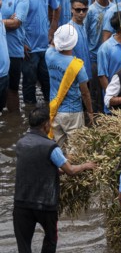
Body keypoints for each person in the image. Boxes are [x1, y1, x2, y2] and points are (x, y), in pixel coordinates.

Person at [13, 106, 96, 253]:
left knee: (24, 246)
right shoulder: (52, 147)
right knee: (51, 239)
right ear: (46, 125)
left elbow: (38, 167)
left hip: (21, 203)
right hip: (45, 205)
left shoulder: (20, 144)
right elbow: (70, 170)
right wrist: (85, 165)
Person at [46, 24, 92, 147]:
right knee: (76, 149)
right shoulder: (77, 66)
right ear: (74, 43)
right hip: (73, 112)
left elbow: (52, 45)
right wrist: (90, 112)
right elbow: (85, 93)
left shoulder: (48, 55)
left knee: (60, 148)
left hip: (55, 109)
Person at [22, 0, 57, 105]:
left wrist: (52, 30)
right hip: (29, 48)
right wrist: (21, 43)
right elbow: (18, 22)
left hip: (45, 45)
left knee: (47, 79)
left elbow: (56, 8)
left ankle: (50, 108)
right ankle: (29, 110)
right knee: (29, 82)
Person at [0, 0, 29, 112]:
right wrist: (7, 21)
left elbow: (16, 23)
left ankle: (13, 120)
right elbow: (10, 22)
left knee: (12, 88)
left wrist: (3, 22)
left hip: (12, 50)